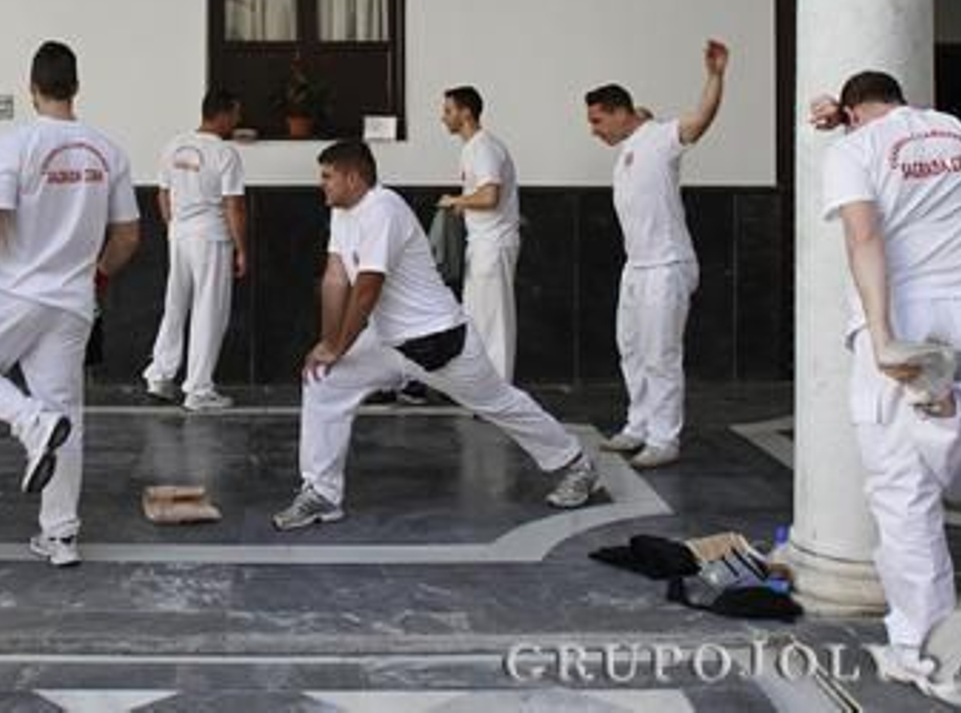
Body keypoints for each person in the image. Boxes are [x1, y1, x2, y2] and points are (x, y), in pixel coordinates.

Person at [810, 71, 961, 698]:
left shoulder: (854, 149)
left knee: (903, 493)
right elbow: (897, 142)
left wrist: (881, 336)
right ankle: (946, 409)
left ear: (851, 111)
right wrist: (844, 121)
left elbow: (864, 235)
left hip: (907, 314)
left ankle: (926, 653)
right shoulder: (957, 131)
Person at [272, 141, 600, 531]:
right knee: (323, 380)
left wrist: (339, 344)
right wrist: (328, 345)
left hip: (437, 341)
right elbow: (334, 279)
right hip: (387, 340)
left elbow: (368, 287)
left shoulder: (383, 208)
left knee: (499, 403)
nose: (321, 185)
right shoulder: (343, 214)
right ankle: (321, 494)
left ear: (353, 177)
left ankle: (576, 464)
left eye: (327, 177)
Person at [0, 41, 140, 568]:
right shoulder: (108, 150)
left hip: (14, 292)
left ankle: (29, 423)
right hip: (72, 302)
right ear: (76, 87)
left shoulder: (15, 144)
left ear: (31, 89)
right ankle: (60, 537)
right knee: (65, 410)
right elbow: (127, 237)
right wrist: (96, 275)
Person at [586, 40, 728, 469]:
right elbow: (641, 120)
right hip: (637, 266)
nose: (593, 129)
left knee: (660, 353)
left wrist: (716, 76)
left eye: (597, 120)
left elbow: (699, 120)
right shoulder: (632, 144)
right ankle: (639, 425)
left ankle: (665, 439)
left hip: (667, 265)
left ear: (617, 111)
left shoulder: (660, 138)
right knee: (630, 348)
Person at [143, 88, 248, 411]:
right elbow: (235, 206)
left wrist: (175, 227)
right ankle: (199, 390)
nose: (238, 119)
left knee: (175, 306)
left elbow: (163, 195)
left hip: (180, 235)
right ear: (224, 113)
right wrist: (242, 248)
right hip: (212, 237)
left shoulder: (174, 146)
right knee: (209, 310)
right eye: (236, 113)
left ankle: (160, 376)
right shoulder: (224, 153)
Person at [438, 86, 521, 382]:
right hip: (483, 243)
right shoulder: (473, 148)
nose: (443, 117)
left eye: (448, 110)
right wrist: (464, 205)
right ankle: (485, 389)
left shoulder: (484, 147)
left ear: (466, 112)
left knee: (493, 323)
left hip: (492, 245)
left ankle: (498, 393)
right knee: (479, 321)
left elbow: (489, 197)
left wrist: (456, 201)